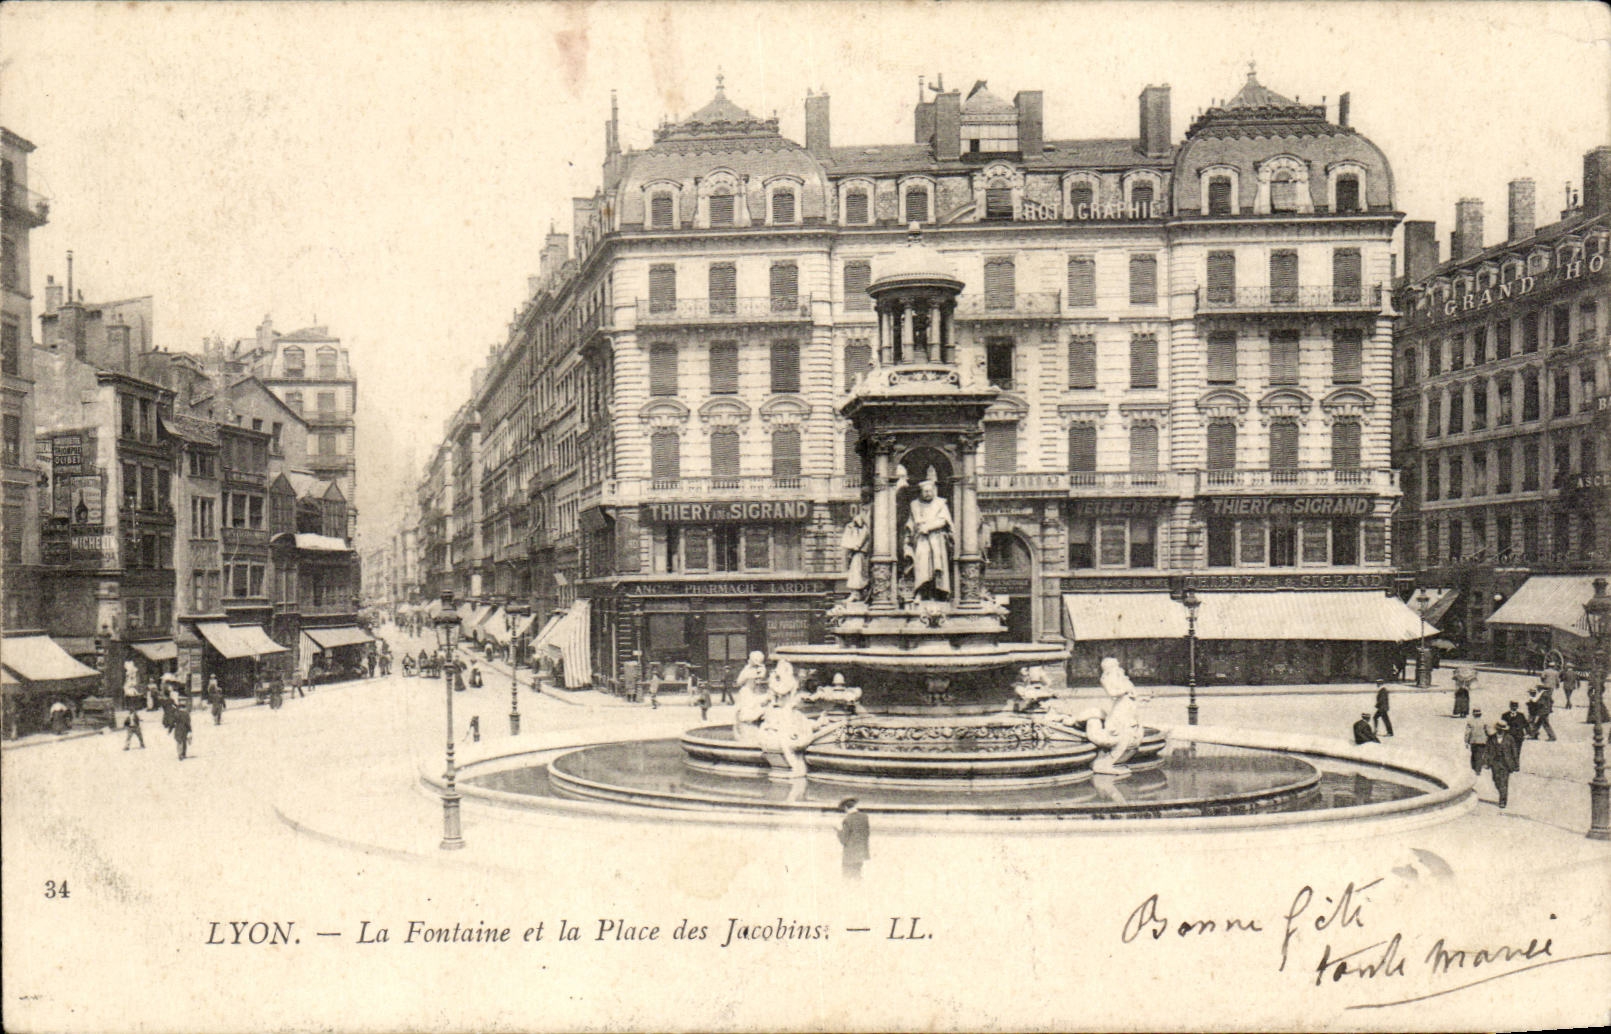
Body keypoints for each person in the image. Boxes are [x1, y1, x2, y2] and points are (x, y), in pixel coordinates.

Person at [903, 468, 953, 600]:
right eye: (925, 491)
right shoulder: (914, 504)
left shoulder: (940, 503)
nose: (928, 494)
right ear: (921, 492)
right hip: (921, 539)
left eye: (930, 491)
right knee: (921, 562)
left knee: (938, 564)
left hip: (937, 538)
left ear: (934, 491)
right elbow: (911, 522)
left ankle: (938, 592)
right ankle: (920, 590)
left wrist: (929, 527)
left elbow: (944, 520)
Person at [1488, 716, 1517, 808]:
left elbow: (1514, 751)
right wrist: (1486, 762)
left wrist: (1516, 764)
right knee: (1496, 780)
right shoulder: (1491, 738)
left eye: (1502, 729)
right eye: (1499, 729)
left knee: (1504, 782)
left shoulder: (1510, 738)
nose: (1501, 730)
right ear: (1497, 728)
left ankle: (1503, 801)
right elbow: (1487, 750)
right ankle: (1502, 792)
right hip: (1495, 762)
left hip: (1506, 763)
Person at [837, 798, 870, 879]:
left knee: (847, 877)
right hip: (861, 852)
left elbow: (844, 840)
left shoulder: (847, 819)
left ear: (846, 808)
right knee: (857, 874)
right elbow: (867, 833)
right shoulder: (864, 817)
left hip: (850, 853)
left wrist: (838, 831)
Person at [1500, 700, 1528, 768]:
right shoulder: (1505, 715)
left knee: (1517, 751)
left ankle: (1516, 765)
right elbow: (1501, 725)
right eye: (1513, 706)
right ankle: (1509, 765)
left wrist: (1527, 734)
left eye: (1515, 706)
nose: (1514, 707)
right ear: (1510, 706)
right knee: (1509, 751)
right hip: (1508, 736)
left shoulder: (1521, 715)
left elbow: (1526, 725)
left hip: (1519, 736)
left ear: (1517, 707)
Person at [1463, 708, 1490, 773]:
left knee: (1474, 755)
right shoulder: (1484, 721)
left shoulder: (1470, 722)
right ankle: (1478, 770)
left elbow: (1467, 733)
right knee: (1480, 756)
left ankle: (1474, 768)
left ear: (1473, 714)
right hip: (1482, 742)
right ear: (1480, 714)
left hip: (1473, 741)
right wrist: (1488, 739)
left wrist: (1466, 742)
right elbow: (1488, 731)